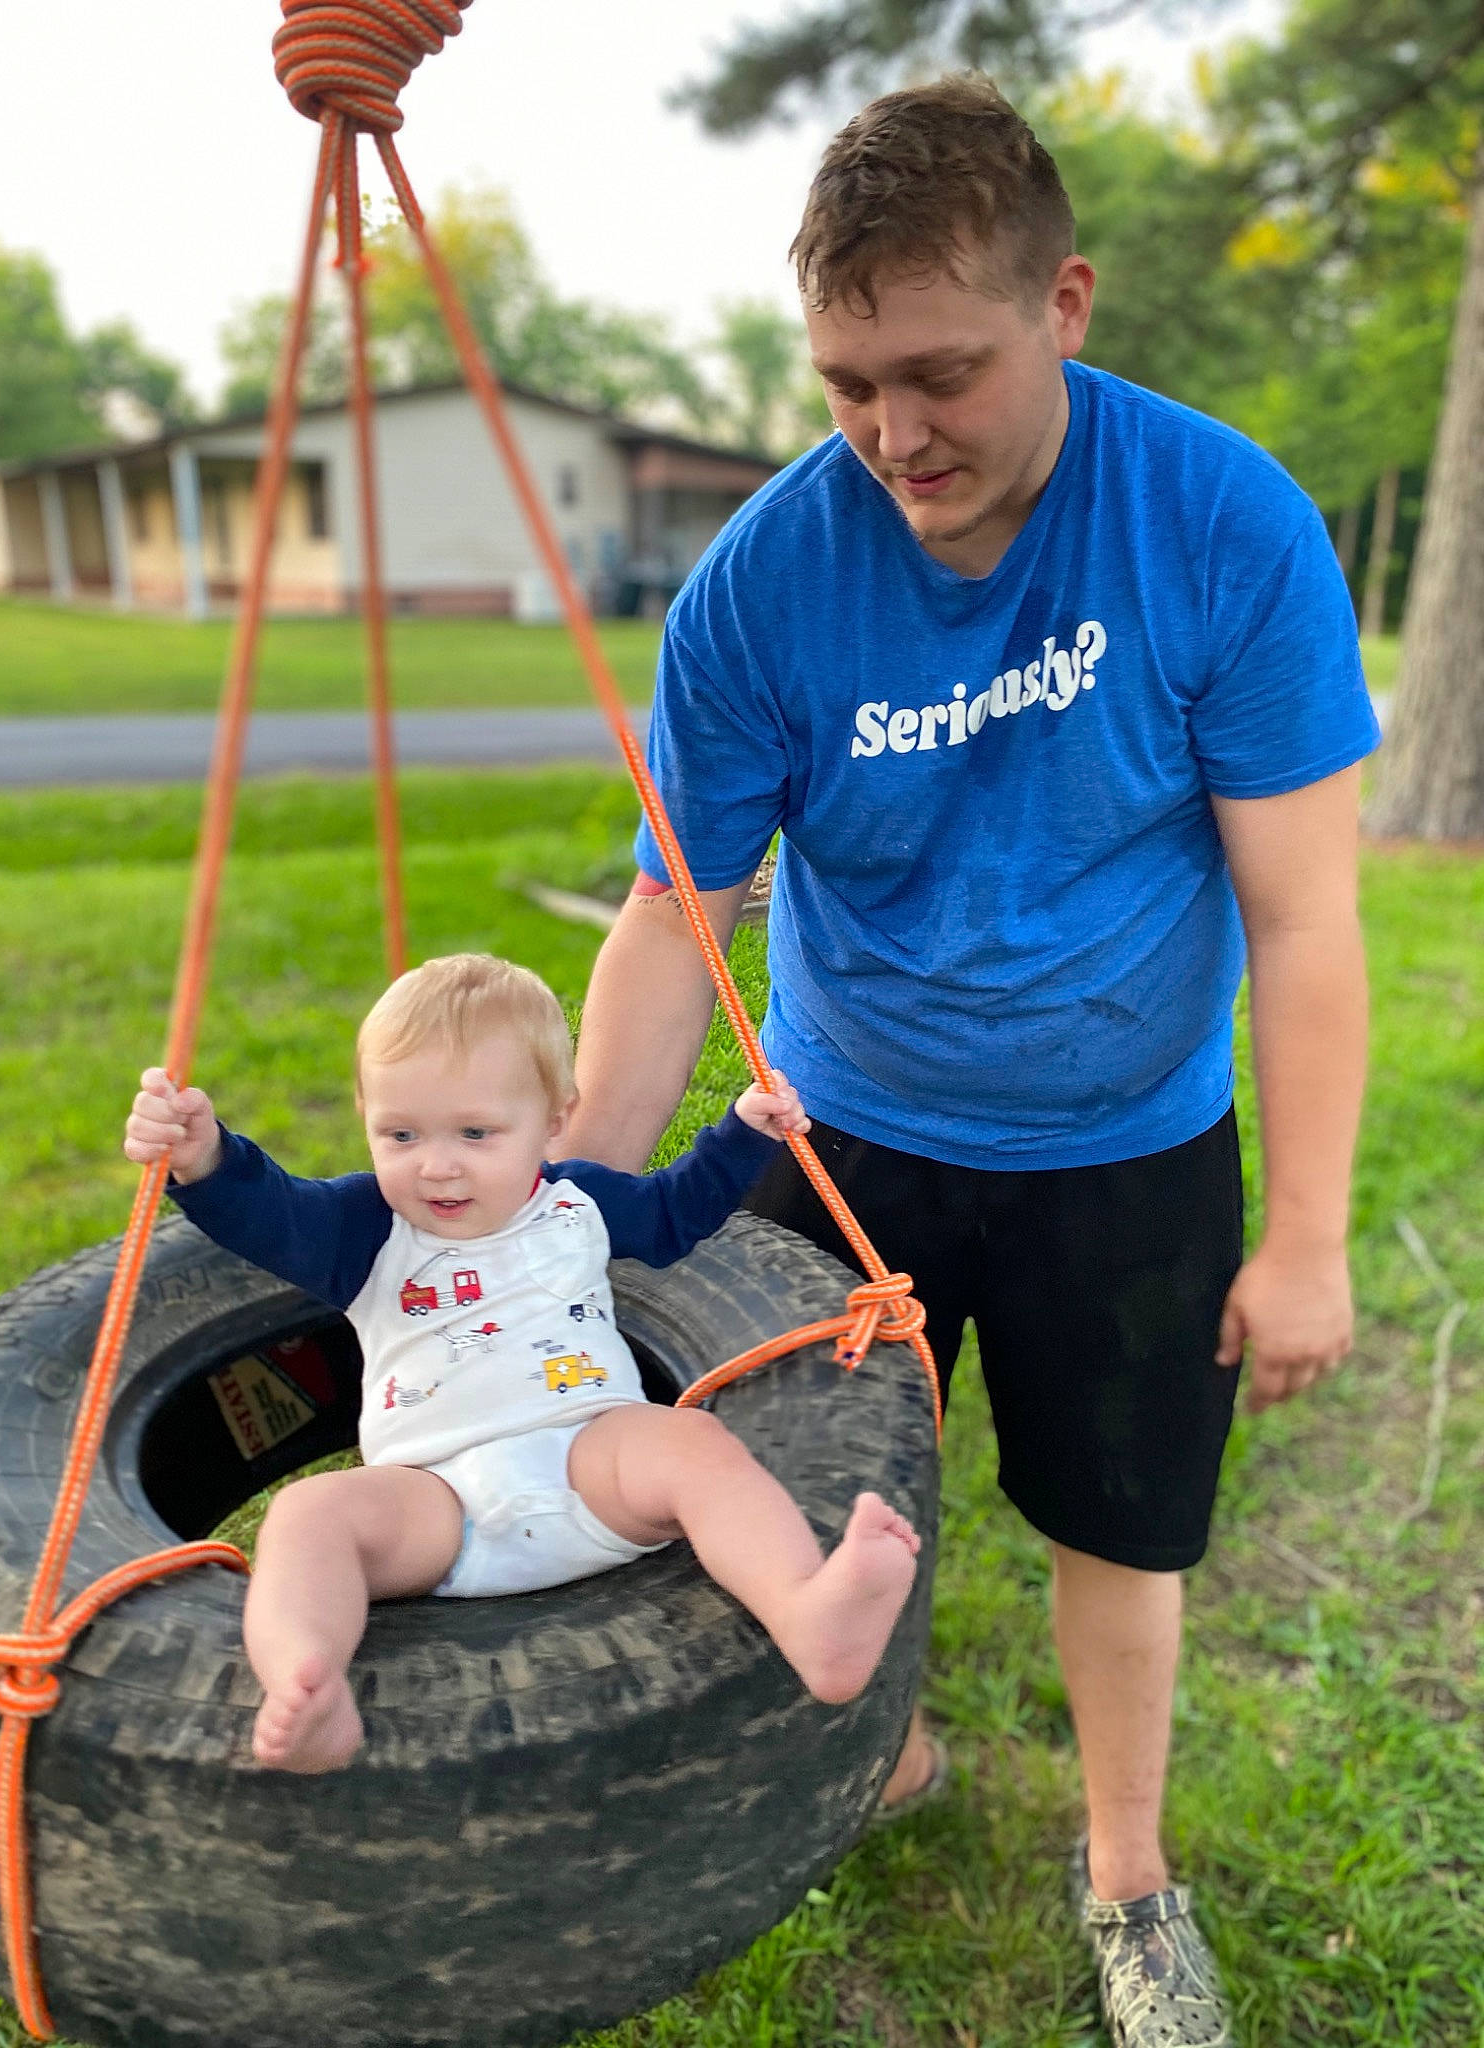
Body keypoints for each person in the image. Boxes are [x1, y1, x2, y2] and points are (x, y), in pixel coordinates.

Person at [562, 74, 1379, 2048]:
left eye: (940, 373)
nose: (892, 434)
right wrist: (580, 1188)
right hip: (846, 1138)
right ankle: (884, 1751)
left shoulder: (1222, 523)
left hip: (1128, 1141)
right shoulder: (766, 576)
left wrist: (1314, 1233)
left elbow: (1306, 917)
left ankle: (1125, 1874)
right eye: (846, 381)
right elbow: (686, 908)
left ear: (1066, 303)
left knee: (1121, 1521)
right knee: (794, 1489)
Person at [123, 953, 920, 1776]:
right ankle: (306, 1680)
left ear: (551, 1122)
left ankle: (810, 1618)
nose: (436, 1164)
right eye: (401, 1134)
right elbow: (269, 1213)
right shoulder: (364, 1231)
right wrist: (206, 1155)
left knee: (691, 1447)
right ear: (366, 1120)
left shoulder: (579, 1204)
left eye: (475, 1133)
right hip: (437, 1503)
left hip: (589, 1462)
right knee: (310, 1518)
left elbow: (678, 1213)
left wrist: (743, 1133)